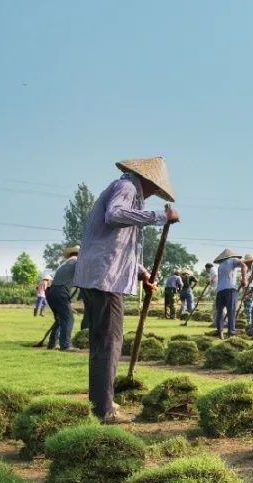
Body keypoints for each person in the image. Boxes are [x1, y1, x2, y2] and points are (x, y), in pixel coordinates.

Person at [74, 156, 180, 423]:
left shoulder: (126, 190)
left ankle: (101, 402)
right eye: (155, 188)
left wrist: (142, 273)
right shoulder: (127, 187)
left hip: (99, 275)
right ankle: (104, 410)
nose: (154, 193)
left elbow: (119, 246)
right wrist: (160, 216)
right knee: (110, 343)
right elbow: (114, 215)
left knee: (103, 343)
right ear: (149, 180)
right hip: (105, 279)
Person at [47, 245, 79, 351]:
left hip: (51, 291)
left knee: (59, 319)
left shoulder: (64, 263)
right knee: (68, 319)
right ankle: (65, 345)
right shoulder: (78, 262)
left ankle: (52, 343)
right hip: (61, 291)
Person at [212, 249, 247, 338]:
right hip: (230, 289)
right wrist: (244, 279)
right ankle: (231, 332)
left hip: (219, 290)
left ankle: (219, 331)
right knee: (231, 311)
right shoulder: (233, 259)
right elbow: (244, 265)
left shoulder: (220, 265)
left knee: (219, 312)